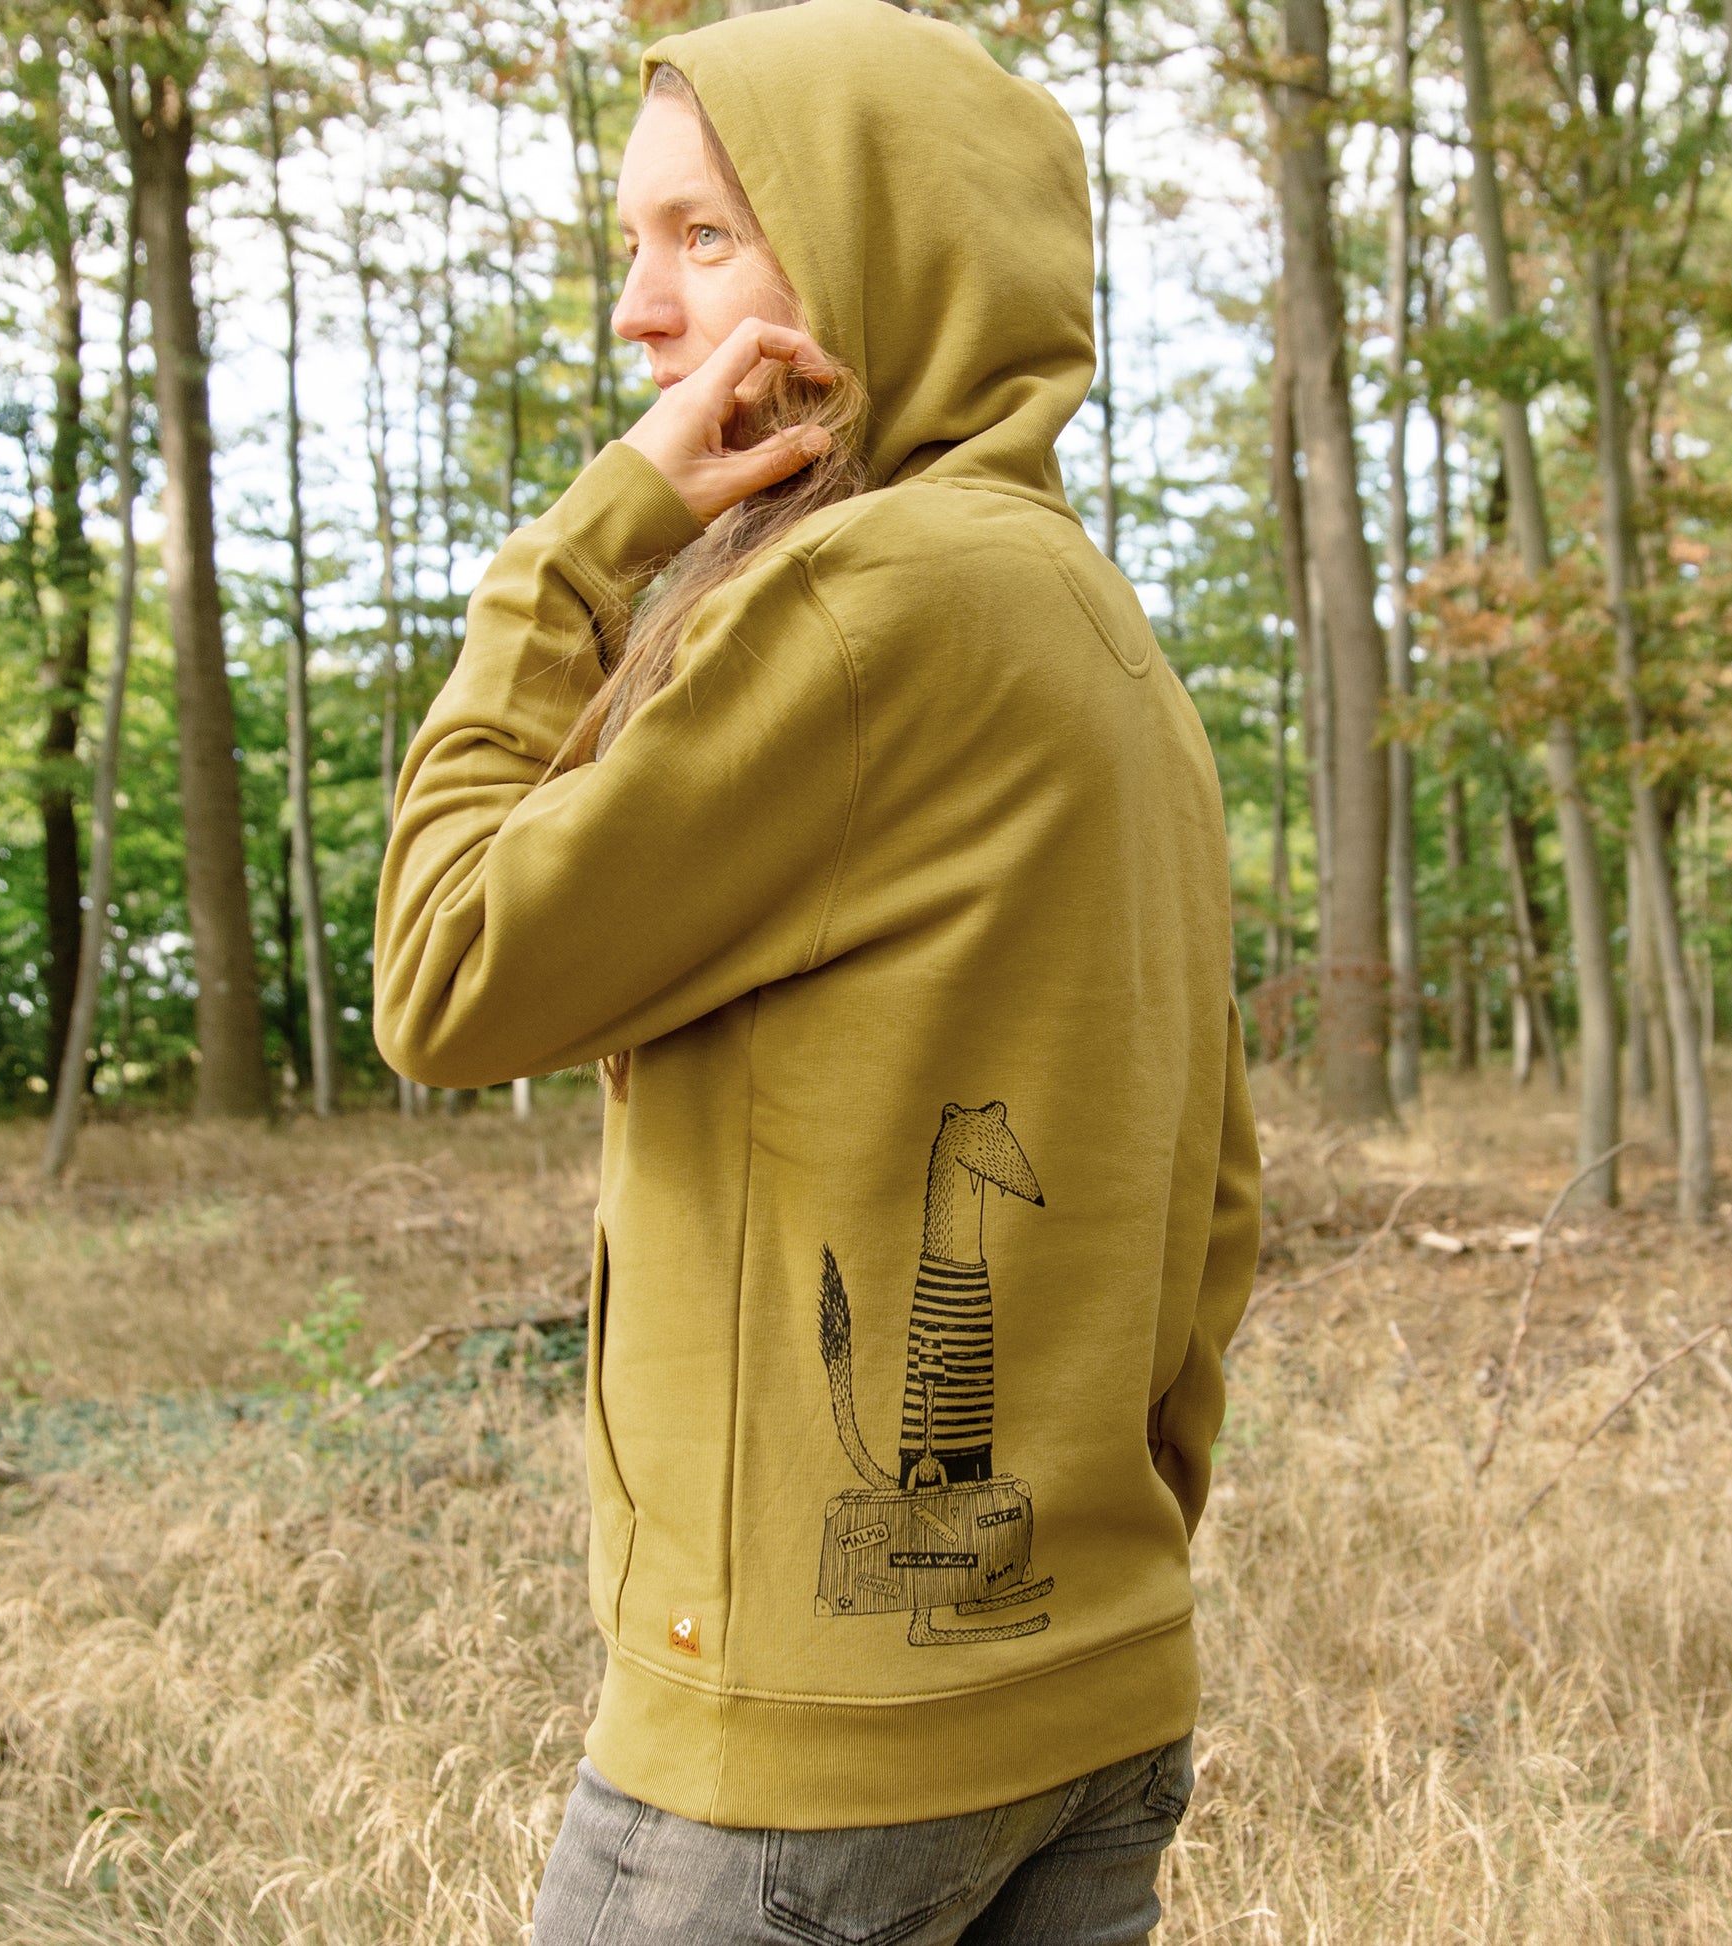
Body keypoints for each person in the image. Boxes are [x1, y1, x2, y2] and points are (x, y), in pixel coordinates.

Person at [372, 2, 1260, 1939]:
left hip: (806, 1761)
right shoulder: (1105, 637)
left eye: (704, 235)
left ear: (884, 255)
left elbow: (445, 973)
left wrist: (579, 549)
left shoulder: (868, 603)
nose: (639, 313)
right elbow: (1206, 1203)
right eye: (629, 243)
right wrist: (1078, 1572)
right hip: (1090, 1685)